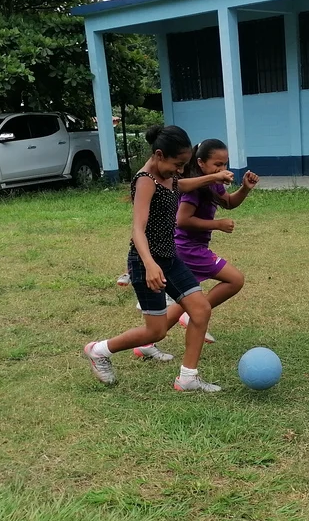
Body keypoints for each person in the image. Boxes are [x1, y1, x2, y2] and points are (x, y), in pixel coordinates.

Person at [83, 125, 233, 391]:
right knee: (156, 331)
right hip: (146, 263)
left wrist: (214, 177)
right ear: (160, 155)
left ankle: (188, 377)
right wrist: (150, 265)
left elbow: (181, 184)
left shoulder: (167, 176)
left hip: (169, 258)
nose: (179, 170)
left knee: (201, 309)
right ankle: (98, 350)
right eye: (177, 164)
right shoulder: (145, 180)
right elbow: (137, 230)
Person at [133, 138, 258, 357]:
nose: (222, 169)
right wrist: (217, 224)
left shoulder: (213, 182)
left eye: (225, 164)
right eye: (217, 165)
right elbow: (182, 220)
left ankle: (147, 343)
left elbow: (228, 202)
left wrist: (245, 189)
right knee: (234, 279)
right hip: (188, 248)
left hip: (191, 247)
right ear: (200, 163)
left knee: (187, 300)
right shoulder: (194, 187)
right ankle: (190, 316)